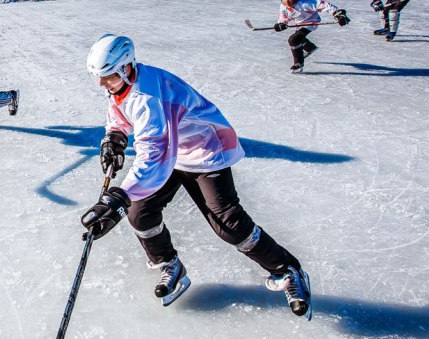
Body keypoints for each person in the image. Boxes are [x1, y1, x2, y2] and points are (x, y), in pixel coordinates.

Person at [80, 34, 311, 318]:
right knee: (140, 212)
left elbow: (156, 157)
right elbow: (118, 112)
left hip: (205, 148)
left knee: (227, 223)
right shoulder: (121, 84)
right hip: (177, 149)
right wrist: (114, 137)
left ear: (127, 67)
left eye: (108, 76)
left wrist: (120, 197)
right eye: (99, 78)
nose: (103, 84)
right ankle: (169, 265)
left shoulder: (148, 98)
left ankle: (287, 270)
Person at [273, 0, 349, 72]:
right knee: (298, 38)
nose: (288, 2)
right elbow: (284, 15)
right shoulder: (283, 5)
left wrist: (338, 14)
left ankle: (298, 63)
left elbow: (323, 5)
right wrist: (281, 24)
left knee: (293, 40)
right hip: (299, 24)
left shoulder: (305, 3)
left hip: (311, 22)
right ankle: (310, 47)